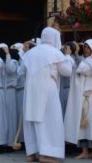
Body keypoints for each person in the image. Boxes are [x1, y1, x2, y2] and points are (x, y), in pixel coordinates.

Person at [22, 27, 73, 163]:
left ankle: (31, 153)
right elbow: (67, 71)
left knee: (32, 120)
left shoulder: (31, 52)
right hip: (47, 88)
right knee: (49, 121)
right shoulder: (55, 52)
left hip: (31, 89)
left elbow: (21, 70)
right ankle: (46, 154)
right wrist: (68, 56)